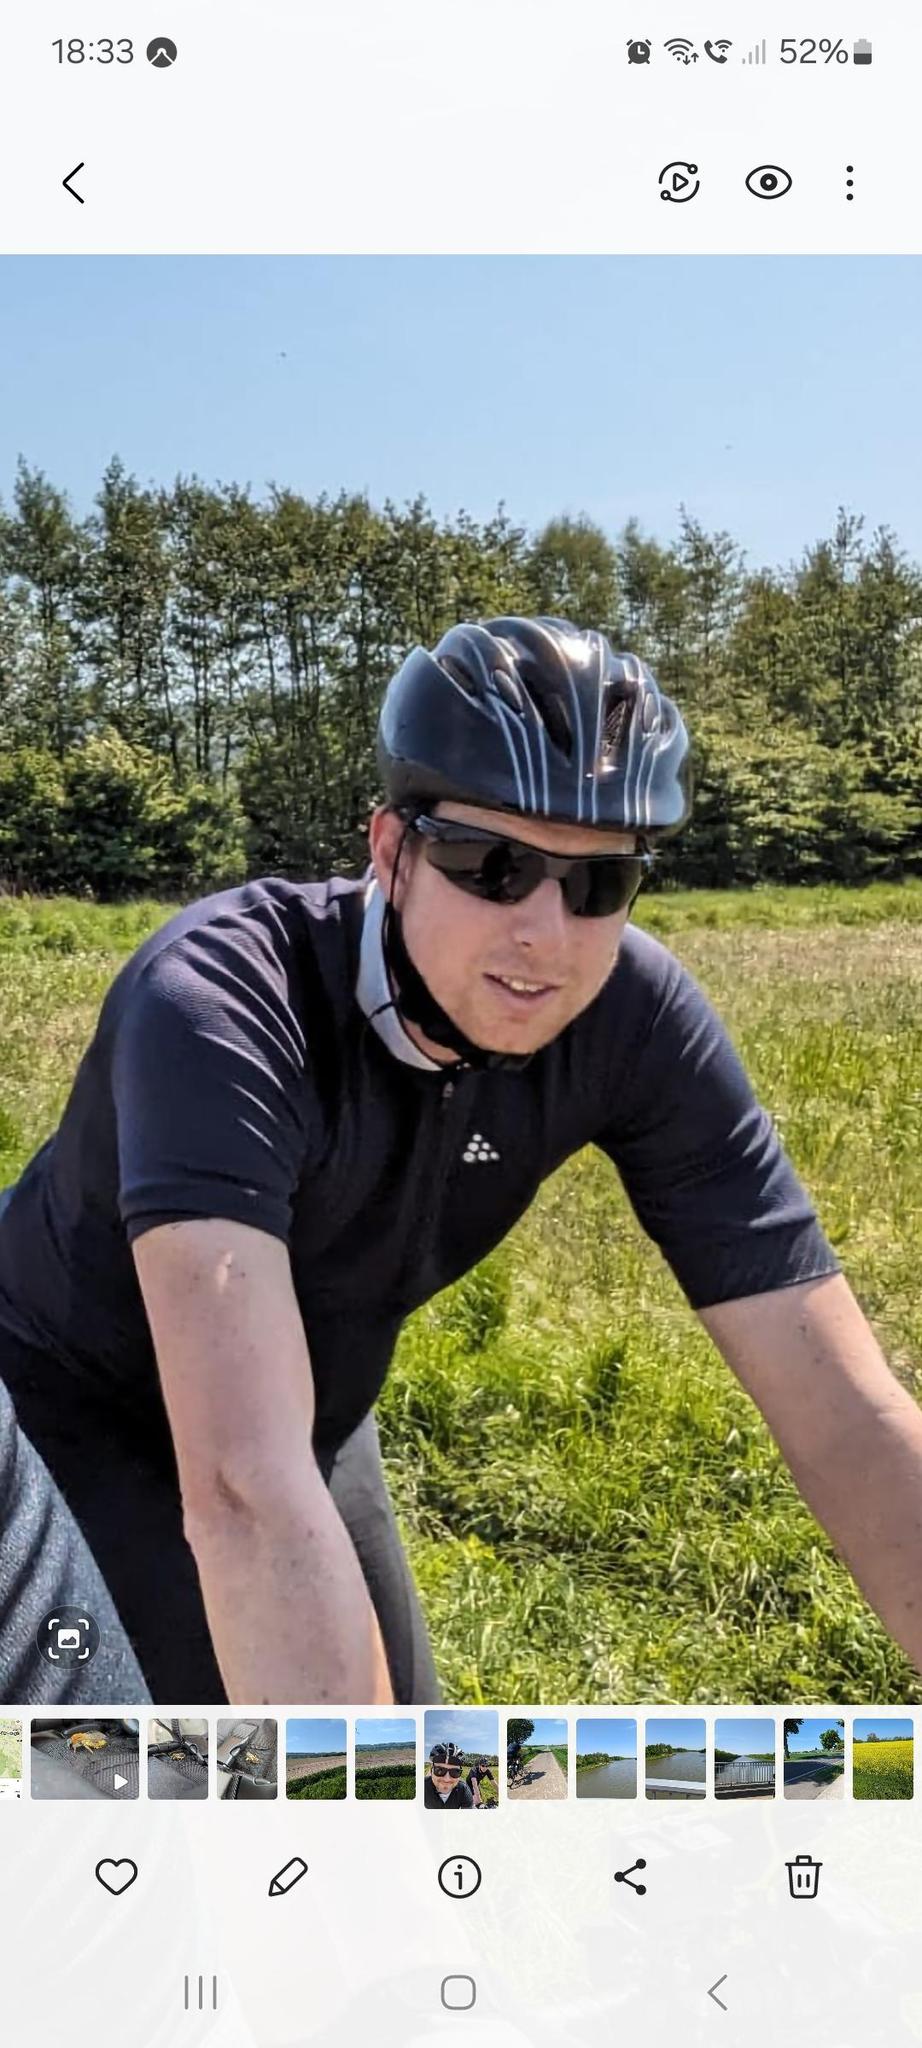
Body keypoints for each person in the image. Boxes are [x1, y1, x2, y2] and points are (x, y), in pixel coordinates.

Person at [2, 614, 922, 1706]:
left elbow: (848, 1419)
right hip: (67, 1409)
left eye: (599, 884)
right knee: (167, 1776)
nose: (547, 933)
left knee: (419, 1757)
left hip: (308, 1416)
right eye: (493, 866)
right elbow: (246, 1493)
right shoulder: (222, 999)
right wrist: (353, 1788)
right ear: (390, 850)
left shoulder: (635, 1019)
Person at [424, 1740, 473, 1808]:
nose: (447, 1779)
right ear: (431, 1770)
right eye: (439, 1770)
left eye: (455, 1772)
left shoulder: (463, 1790)